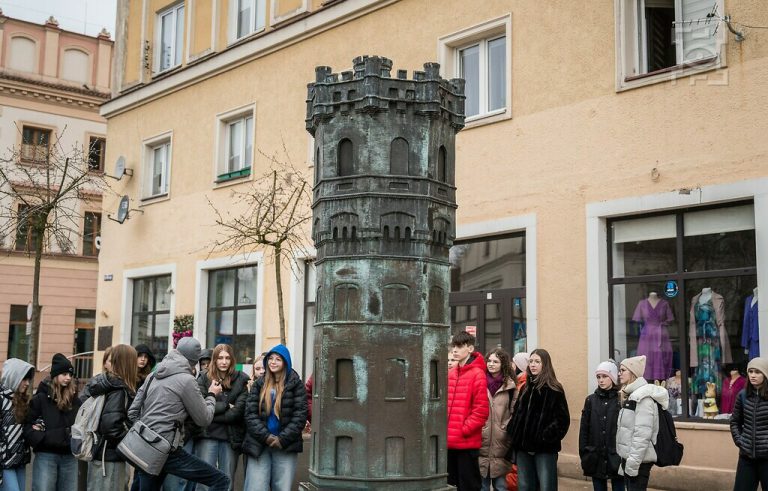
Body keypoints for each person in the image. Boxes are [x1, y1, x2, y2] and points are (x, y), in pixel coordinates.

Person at [126, 337, 229, 491]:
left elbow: (132, 412)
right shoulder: (187, 380)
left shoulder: (153, 375)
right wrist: (212, 395)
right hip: (166, 449)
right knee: (221, 480)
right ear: (194, 361)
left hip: (144, 446)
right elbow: (204, 419)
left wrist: (147, 431)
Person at [242, 344, 307, 491]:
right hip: (260, 443)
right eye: (270, 358)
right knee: (256, 486)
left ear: (286, 362)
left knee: (282, 487)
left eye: (278, 359)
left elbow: (300, 416)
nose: (273, 362)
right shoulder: (259, 384)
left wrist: (281, 439)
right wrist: (266, 437)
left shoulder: (296, 385)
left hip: (285, 445)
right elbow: (250, 414)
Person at [507, 348, 570, 491]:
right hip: (523, 449)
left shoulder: (554, 389)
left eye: (537, 361)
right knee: (524, 486)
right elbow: (517, 414)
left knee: (546, 486)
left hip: (544, 450)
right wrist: (514, 434)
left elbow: (562, 421)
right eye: (531, 361)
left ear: (545, 364)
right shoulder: (525, 389)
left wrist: (543, 438)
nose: (533, 365)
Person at [23, 353, 81, 491]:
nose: (68, 377)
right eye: (64, 374)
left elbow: (81, 425)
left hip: (69, 457)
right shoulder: (40, 399)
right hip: (46, 456)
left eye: (70, 375)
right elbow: (28, 426)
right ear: (55, 375)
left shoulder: (75, 401)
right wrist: (42, 439)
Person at [195, 344, 249, 491]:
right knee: (204, 482)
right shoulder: (203, 378)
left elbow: (237, 413)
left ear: (232, 360)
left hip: (230, 438)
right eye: (220, 358)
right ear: (214, 359)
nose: (224, 362)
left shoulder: (241, 380)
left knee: (227, 481)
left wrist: (211, 412)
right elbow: (200, 408)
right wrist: (226, 405)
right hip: (207, 435)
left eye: (227, 358)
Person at [84, 344, 138, 491]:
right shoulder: (118, 390)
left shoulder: (109, 386)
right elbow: (111, 427)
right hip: (109, 459)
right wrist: (133, 437)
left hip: (103, 456)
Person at [615, 355, 668, 491]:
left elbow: (642, 434)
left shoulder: (643, 398)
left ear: (633, 373)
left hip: (639, 462)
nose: (619, 373)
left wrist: (632, 464)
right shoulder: (631, 395)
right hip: (631, 459)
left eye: (623, 370)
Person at [447, 331, 489, 490]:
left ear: (470, 348)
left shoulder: (477, 374)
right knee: (450, 485)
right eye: (453, 347)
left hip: (466, 443)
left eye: (459, 346)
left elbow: (481, 411)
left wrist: (463, 430)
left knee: (469, 486)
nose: (455, 350)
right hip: (448, 443)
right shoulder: (451, 373)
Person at [579, 360, 623, 491]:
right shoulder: (590, 400)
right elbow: (584, 429)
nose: (601, 380)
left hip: (616, 456)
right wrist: (584, 452)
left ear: (613, 377)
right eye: (598, 377)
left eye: (605, 376)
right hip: (595, 456)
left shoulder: (621, 400)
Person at [479, 348, 516, 491]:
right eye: (489, 361)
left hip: (502, 441)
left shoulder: (511, 386)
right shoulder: (479, 382)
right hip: (482, 440)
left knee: (501, 486)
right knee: (482, 486)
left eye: (496, 361)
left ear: (503, 364)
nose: (491, 364)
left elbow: (514, 411)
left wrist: (505, 428)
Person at [730, 357, 768, 490]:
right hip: (747, 458)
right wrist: (740, 441)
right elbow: (735, 421)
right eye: (750, 371)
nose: (753, 375)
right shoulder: (743, 395)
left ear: (765, 374)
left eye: (757, 372)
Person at [0, 358, 35, 491]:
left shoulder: (23, 401)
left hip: (20, 461)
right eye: (23, 379)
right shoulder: (1, 399)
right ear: (13, 377)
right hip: (4, 463)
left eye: (28, 380)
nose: (27, 383)